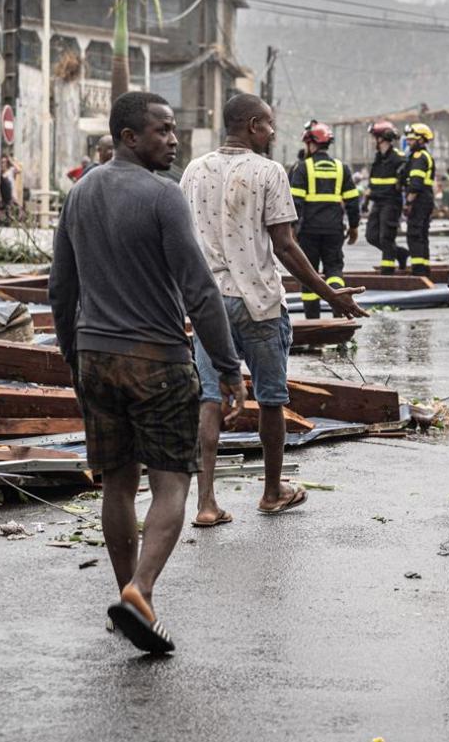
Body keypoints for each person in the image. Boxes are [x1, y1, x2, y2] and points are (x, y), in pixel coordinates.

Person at [49, 91, 242, 655]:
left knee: (117, 481)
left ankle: (128, 600)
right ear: (129, 137)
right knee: (171, 481)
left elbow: (61, 286)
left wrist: (71, 352)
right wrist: (229, 367)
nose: (173, 139)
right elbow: (199, 289)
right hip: (156, 359)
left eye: (174, 129)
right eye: (162, 130)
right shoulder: (163, 196)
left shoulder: (80, 192)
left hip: (96, 358)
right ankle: (140, 590)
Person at [181, 94, 366, 528]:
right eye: (268, 124)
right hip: (259, 302)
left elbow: (184, 241)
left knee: (209, 397)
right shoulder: (269, 171)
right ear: (251, 125)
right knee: (270, 399)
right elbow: (284, 246)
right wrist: (331, 294)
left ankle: (206, 503)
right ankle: (271, 491)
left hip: (209, 304)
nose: (273, 132)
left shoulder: (193, 170)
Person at [288, 121, 361, 319]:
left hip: (309, 231)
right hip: (334, 230)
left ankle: (314, 323)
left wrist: (291, 229)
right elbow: (353, 201)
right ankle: (339, 315)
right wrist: (354, 227)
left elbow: (295, 202)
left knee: (309, 275)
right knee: (334, 270)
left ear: (310, 143)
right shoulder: (341, 168)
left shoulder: (303, 168)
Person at [364, 120, 410, 271]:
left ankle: (388, 269)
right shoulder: (378, 158)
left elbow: (406, 179)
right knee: (371, 236)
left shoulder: (399, 158)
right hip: (377, 202)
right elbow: (372, 182)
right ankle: (400, 253)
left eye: (374, 137)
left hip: (391, 202)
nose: (372, 141)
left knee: (386, 237)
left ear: (382, 138)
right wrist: (366, 201)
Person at [402, 122, 437, 275]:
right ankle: (424, 267)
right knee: (422, 234)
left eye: (411, 139)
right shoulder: (425, 156)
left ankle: (418, 270)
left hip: (419, 199)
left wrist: (408, 202)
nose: (408, 142)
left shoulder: (419, 157)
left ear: (421, 140)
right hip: (426, 198)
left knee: (414, 234)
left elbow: (415, 184)